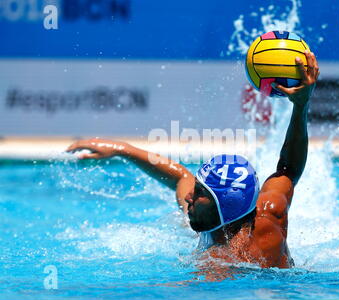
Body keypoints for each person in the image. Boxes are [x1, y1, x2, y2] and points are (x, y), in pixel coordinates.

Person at [67, 51, 319, 269]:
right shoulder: (256, 209)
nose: (188, 196)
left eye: (199, 193)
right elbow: (288, 169)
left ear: (224, 206)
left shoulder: (220, 261)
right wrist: (121, 148)